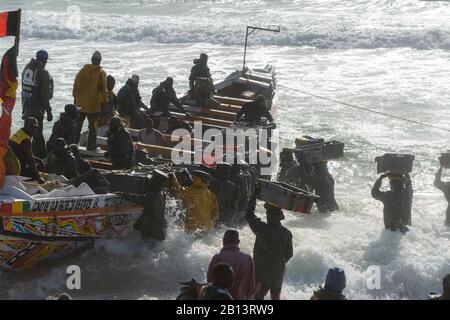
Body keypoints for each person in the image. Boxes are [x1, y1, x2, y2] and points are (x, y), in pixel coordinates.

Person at [246, 195, 293, 300]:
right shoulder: (287, 233)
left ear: (268, 216)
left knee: (258, 297)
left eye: (267, 214)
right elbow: (289, 254)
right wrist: (278, 263)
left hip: (262, 273)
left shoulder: (262, 229)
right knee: (275, 297)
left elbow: (249, 215)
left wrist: (253, 199)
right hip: (277, 273)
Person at [21, 50, 54, 159]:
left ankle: (25, 154)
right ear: (44, 60)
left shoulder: (27, 68)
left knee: (27, 133)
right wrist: (49, 111)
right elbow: (44, 94)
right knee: (38, 136)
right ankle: (39, 159)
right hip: (36, 109)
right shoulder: (42, 73)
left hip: (26, 106)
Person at [120, 170, 168, 243]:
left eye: (152, 179)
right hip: (158, 232)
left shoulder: (153, 196)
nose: (150, 180)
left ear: (156, 182)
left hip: (152, 234)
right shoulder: (161, 194)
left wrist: (122, 195)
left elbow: (139, 199)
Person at [73, 51, 108, 151]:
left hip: (81, 103)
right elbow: (103, 90)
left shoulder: (82, 71)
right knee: (93, 126)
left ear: (92, 60)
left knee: (78, 124)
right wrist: (105, 102)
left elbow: (75, 85)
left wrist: (75, 99)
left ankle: (73, 144)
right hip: (93, 104)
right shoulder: (101, 73)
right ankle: (91, 147)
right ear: (100, 61)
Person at [207, 230, 255, 300]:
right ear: (238, 242)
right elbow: (252, 286)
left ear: (223, 241)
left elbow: (210, 282)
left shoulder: (217, 257)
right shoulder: (248, 258)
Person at [170, 170, 219, 234]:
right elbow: (215, 214)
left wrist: (174, 179)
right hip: (207, 227)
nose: (192, 180)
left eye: (194, 178)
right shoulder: (212, 195)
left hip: (193, 228)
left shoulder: (192, 191)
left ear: (200, 180)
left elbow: (179, 191)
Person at [8, 117, 44, 183]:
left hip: (12, 160)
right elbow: (30, 159)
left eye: (35, 127)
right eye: (31, 127)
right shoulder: (26, 140)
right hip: (16, 165)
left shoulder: (20, 132)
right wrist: (38, 177)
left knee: (40, 162)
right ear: (26, 126)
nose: (33, 129)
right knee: (36, 170)